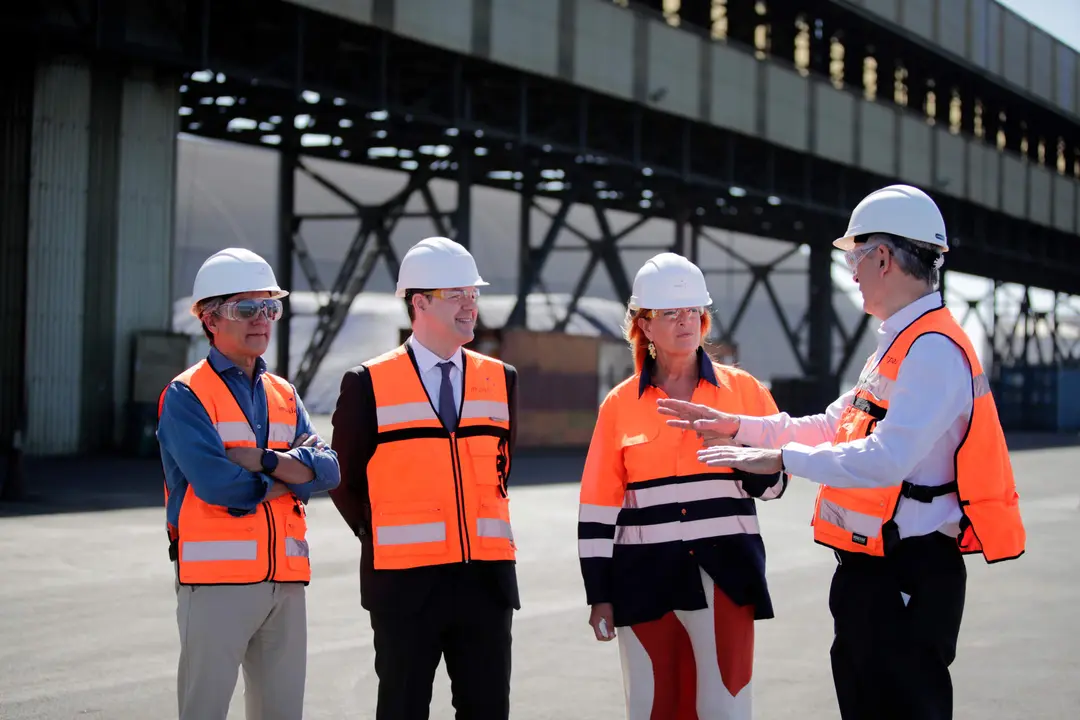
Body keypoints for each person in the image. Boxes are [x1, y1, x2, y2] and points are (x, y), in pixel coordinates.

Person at [658, 184, 1027, 720]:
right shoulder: (900, 343)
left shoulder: (933, 350)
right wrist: (738, 426)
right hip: (875, 570)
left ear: (883, 257)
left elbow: (885, 456)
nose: (852, 271)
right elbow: (836, 424)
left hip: (908, 571)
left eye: (855, 256)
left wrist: (782, 461)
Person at [577, 252, 788, 720]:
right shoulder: (618, 406)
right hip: (643, 583)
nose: (684, 321)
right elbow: (597, 505)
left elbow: (775, 487)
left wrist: (737, 444)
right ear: (645, 326)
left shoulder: (745, 392)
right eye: (669, 313)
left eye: (692, 311)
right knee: (654, 709)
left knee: (725, 710)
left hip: (726, 580)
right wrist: (600, 593)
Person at [328, 236, 520, 720]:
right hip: (404, 587)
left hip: (485, 583)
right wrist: (381, 533)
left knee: (488, 710)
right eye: (457, 295)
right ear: (419, 302)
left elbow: (500, 468)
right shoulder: (367, 383)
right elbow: (343, 478)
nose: (470, 307)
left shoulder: (502, 379)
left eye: (473, 295)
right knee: (402, 708)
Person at [156, 247, 341, 720]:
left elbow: (332, 469)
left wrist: (262, 460)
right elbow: (222, 487)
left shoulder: (285, 393)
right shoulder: (186, 394)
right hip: (217, 586)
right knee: (204, 711)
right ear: (210, 318)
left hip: (287, 581)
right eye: (246, 308)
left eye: (270, 307)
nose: (262, 319)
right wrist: (294, 478)